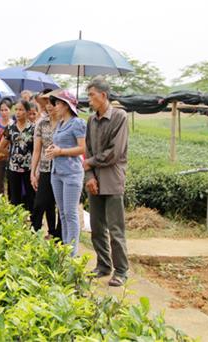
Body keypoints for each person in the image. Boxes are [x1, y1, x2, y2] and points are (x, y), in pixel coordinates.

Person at [83, 76, 129, 287]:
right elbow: (88, 149)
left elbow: (115, 153)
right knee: (96, 226)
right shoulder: (91, 120)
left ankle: (121, 271)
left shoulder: (120, 117)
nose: (89, 99)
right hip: (95, 180)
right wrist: (90, 177)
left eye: (92, 95)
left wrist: (90, 163)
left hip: (112, 180)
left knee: (115, 228)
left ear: (103, 95)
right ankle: (103, 265)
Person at [45, 90, 86, 257]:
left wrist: (60, 151)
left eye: (59, 103)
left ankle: (72, 252)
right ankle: (66, 247)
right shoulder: (60, 124)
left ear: (67, 105)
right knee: (61, 213)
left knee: (71, 213)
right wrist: (52, 151)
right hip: (57, 172)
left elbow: (83, 148)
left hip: (71, 173)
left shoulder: (78, 123)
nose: (56, 106)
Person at [30, 89, 61, 239]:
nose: (49, 106)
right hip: (45, 168)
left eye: (53, 103)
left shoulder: (66, 123)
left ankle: (58, 237)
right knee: (40, 203)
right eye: (47, 102)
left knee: (61, 206)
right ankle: (33, 234)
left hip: (62, 169)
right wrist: (33, 172)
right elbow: (36, 150)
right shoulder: (42, 124)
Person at [0, 100, 35, 211]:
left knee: (30, 197)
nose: (18, 112)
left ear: (28, 112)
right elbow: (1, 148)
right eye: (16, 110)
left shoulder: (33, 129)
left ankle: (32, 223)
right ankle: (15, 222)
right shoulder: (10, 128)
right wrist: (12, 154)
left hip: (29, 168)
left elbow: (37, 149)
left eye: (21, 110)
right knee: (14, 198)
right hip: (13, 168)